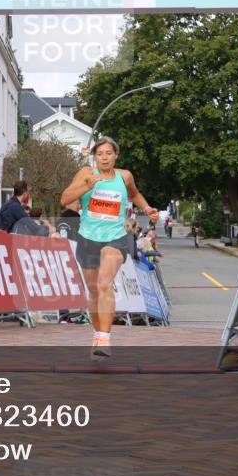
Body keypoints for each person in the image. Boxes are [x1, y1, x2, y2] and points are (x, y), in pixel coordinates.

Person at [61, 136, 157, 358]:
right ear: (94, 156)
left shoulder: (124, 176)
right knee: (94, 290)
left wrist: (146, 208)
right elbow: (64, 200)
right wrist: (87, 185)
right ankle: (98, 333)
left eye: (108, 153)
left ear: (116, 156)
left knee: (105, 283)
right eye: (100, 154)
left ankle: (105, 337)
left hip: (115, 238)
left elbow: (134, 195)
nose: (104, 158)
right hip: (87, 238)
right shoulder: (86, 174)